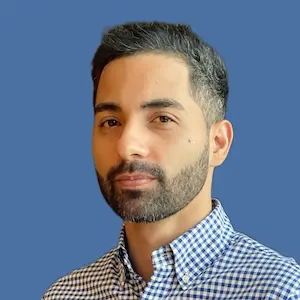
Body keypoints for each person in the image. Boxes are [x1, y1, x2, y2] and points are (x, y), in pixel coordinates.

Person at [42, 21, 300, 299]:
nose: (127, 146)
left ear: (217, 143)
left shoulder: (281, 291)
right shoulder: (65, 294)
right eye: (111, 121)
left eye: (163, 119)